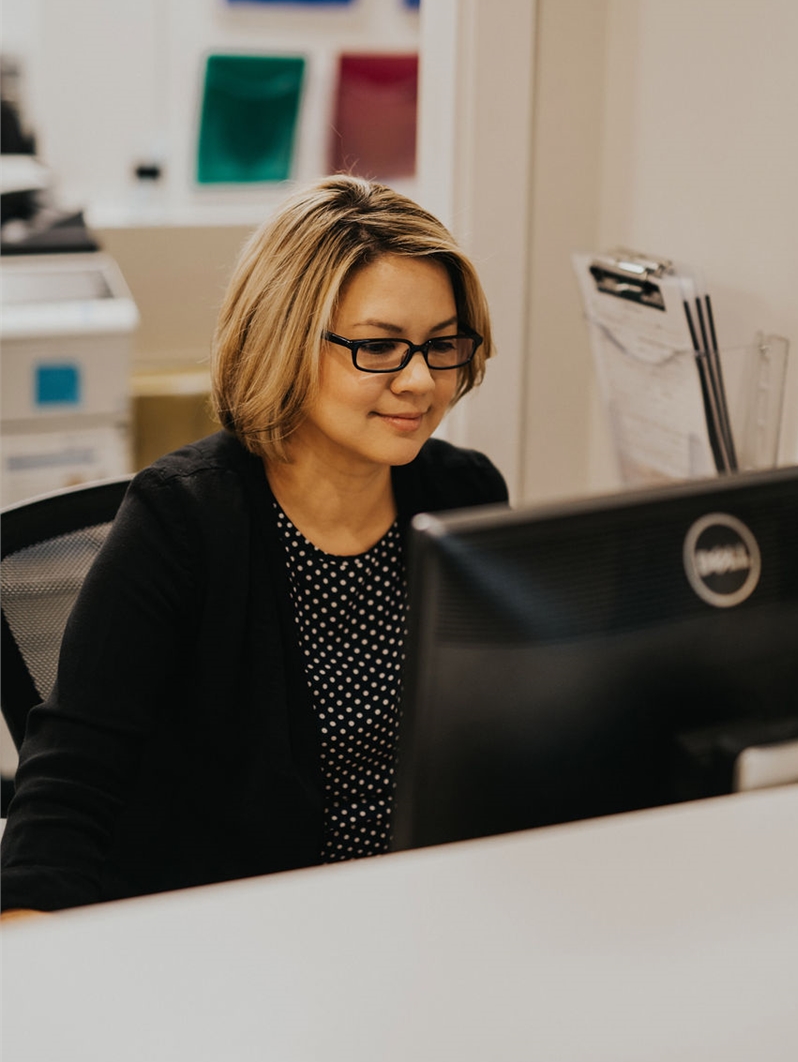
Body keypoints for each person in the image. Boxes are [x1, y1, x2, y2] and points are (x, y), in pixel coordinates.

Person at [1, 176, 508, 912]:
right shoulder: (183, 520)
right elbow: (73, 774)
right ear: (286, 341)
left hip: (419, 906)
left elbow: (509, 729)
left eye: (443, 345)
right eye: (379, 348)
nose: (420, 380)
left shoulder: (462, 496)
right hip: (232, 933)